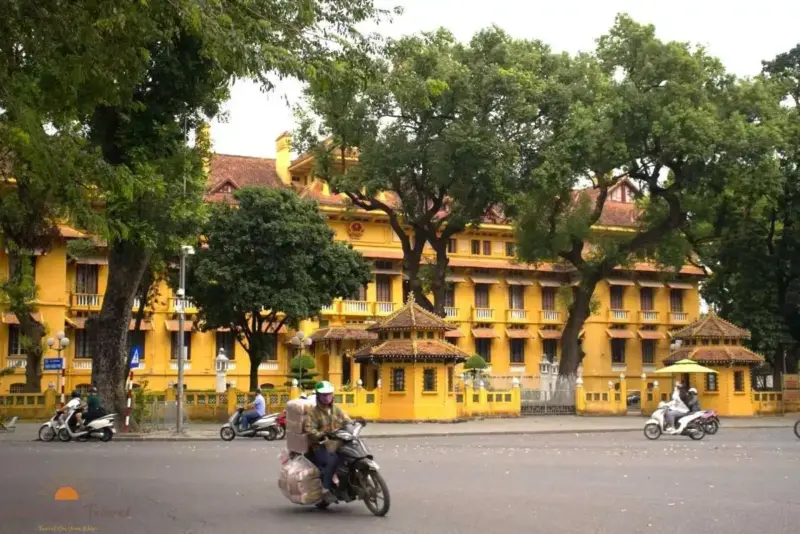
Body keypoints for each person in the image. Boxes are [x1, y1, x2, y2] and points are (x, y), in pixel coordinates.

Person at [303, 381, 352, 504]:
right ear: (318, 396)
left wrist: (353, 425)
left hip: (336, 442)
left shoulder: (336, 409)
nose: (326, 397)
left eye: (329, 394)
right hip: (320, 445)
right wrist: (321, 434)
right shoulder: (313, 413)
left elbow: (347, 420)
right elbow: (309, 430)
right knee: (331, 460)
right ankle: (326, 489)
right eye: (323, 395)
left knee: (350, 456)